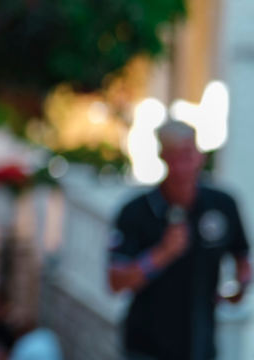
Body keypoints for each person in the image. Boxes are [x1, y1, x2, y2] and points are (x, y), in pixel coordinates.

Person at [107, 121, 252, 360]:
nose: (182, 165)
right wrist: (162, 254)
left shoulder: (222, 205)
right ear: (162, 157)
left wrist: (237, 288)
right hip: (147, 345)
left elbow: (242, 259)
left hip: (202, 343)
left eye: (188, 154)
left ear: (201, 156)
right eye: (174, 156)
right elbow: (115, 281)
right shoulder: (136, 212)